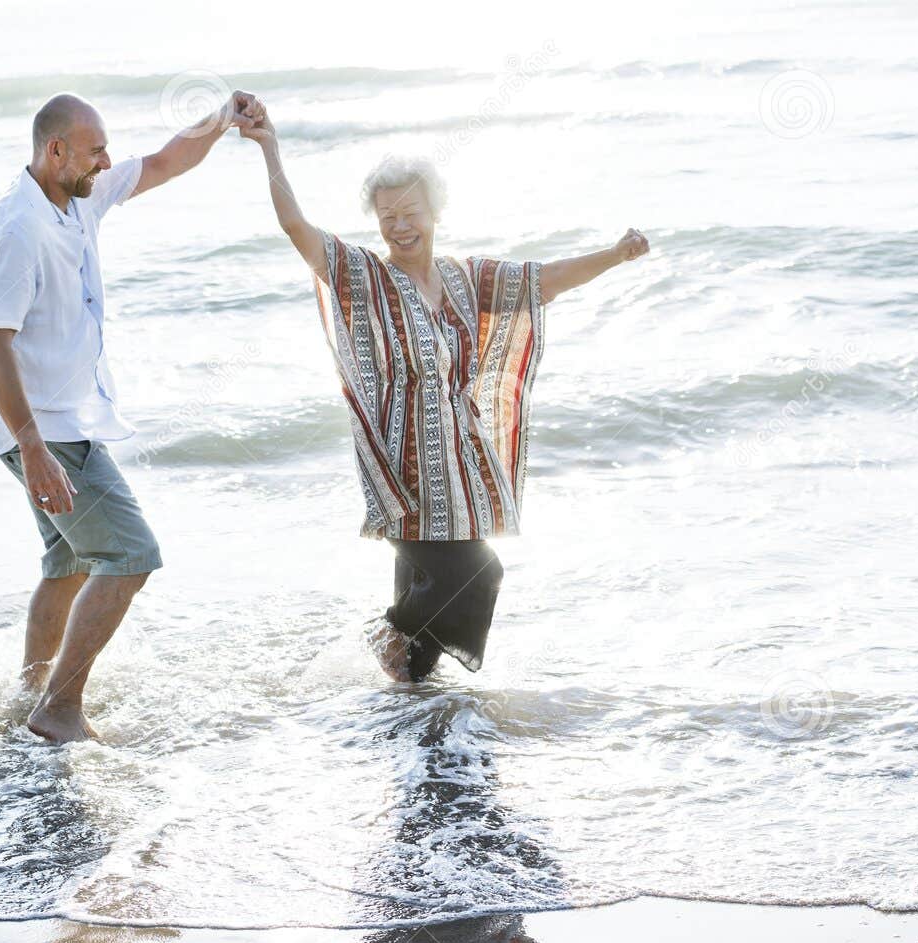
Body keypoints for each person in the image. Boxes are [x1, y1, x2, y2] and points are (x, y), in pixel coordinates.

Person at [238, 113, 650, 681]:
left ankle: (414, 711)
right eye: (388, 218)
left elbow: (540, 282)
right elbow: (297, 230)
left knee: (432, 603)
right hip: (403, 470)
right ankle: (385, 635)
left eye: (411, 214)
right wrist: (270, 148)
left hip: (462, 468)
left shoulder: (464, 279)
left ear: (435, 213)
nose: (400, 228)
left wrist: (613, 255)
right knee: (479, 575)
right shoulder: (366, 277)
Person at [0, 90, 259, 742]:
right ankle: (59, 709)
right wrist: (35, 449)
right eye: (95, 150)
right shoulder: (17, 229)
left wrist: (222, 119)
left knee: (69, 564)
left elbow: (161, 163)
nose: (106, 162)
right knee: (131, 555)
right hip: (45, 429)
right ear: (56, 151)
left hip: (62, 423)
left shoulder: (78, 196)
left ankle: (30, 698)